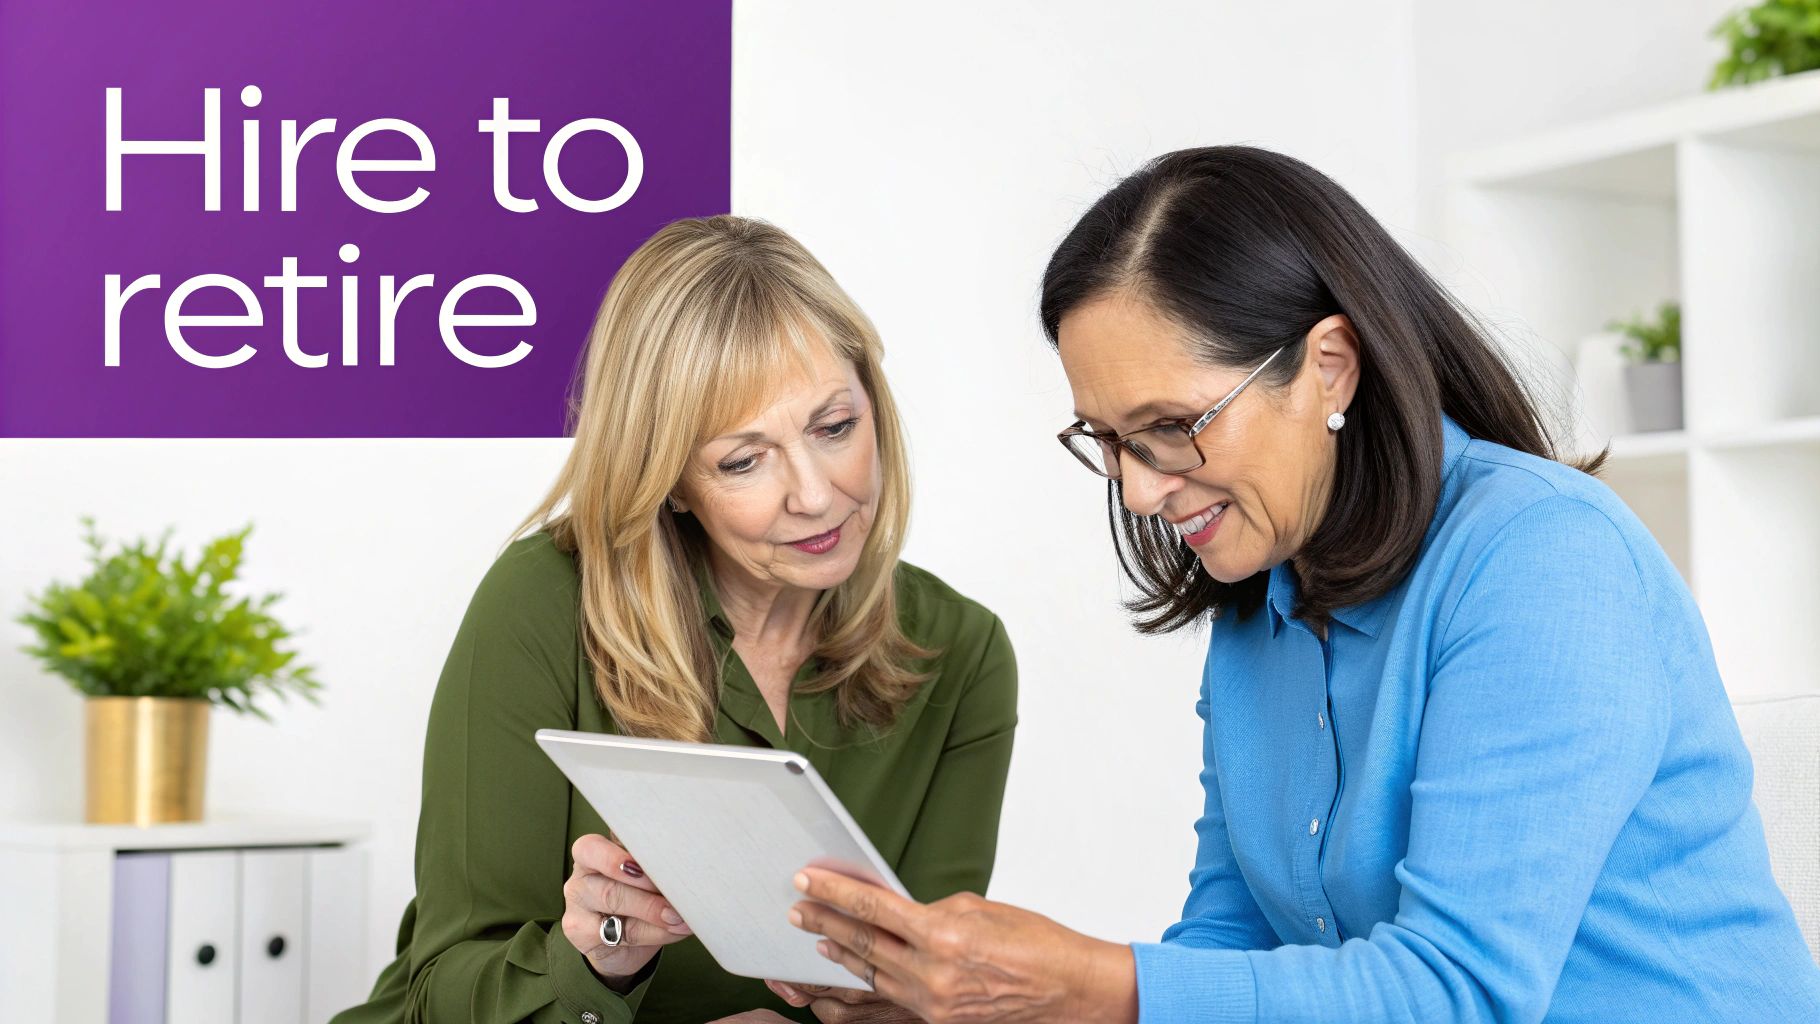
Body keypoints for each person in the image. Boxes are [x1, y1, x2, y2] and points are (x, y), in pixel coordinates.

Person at [782, 146, 1820, 1023]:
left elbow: (1457, 992)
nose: (1139, 490)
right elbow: (1229, 939)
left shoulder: (1543, 559)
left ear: (1326, 365)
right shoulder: (1260, 602)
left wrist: (1093, 986)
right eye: (1106, 440)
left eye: (1172, 427)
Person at [332, 216, 1018, 1024]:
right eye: (742, 460)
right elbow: (439, 995)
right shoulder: (543, 604)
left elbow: (924, 995)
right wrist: (599, 962)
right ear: (670, 479)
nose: (816, 494)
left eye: (835, 427)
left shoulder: (959, 652)